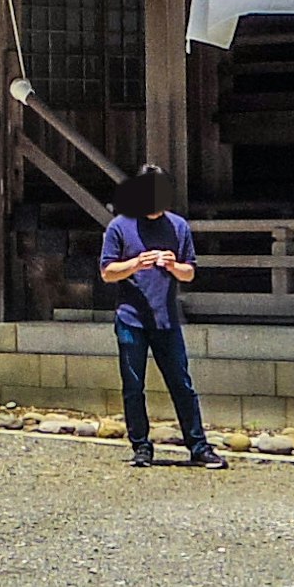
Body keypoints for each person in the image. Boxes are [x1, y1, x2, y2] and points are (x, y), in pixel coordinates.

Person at [101, 166, 223, 468]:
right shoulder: (119, 226)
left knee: (182, 384)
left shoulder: (178, 226)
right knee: (133, 385)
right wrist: (134, 264)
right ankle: (141, 446)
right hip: (131, 318)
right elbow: (107, 272)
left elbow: (189, 271)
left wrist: (172, 265)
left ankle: (198, 446)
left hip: (167, 318)